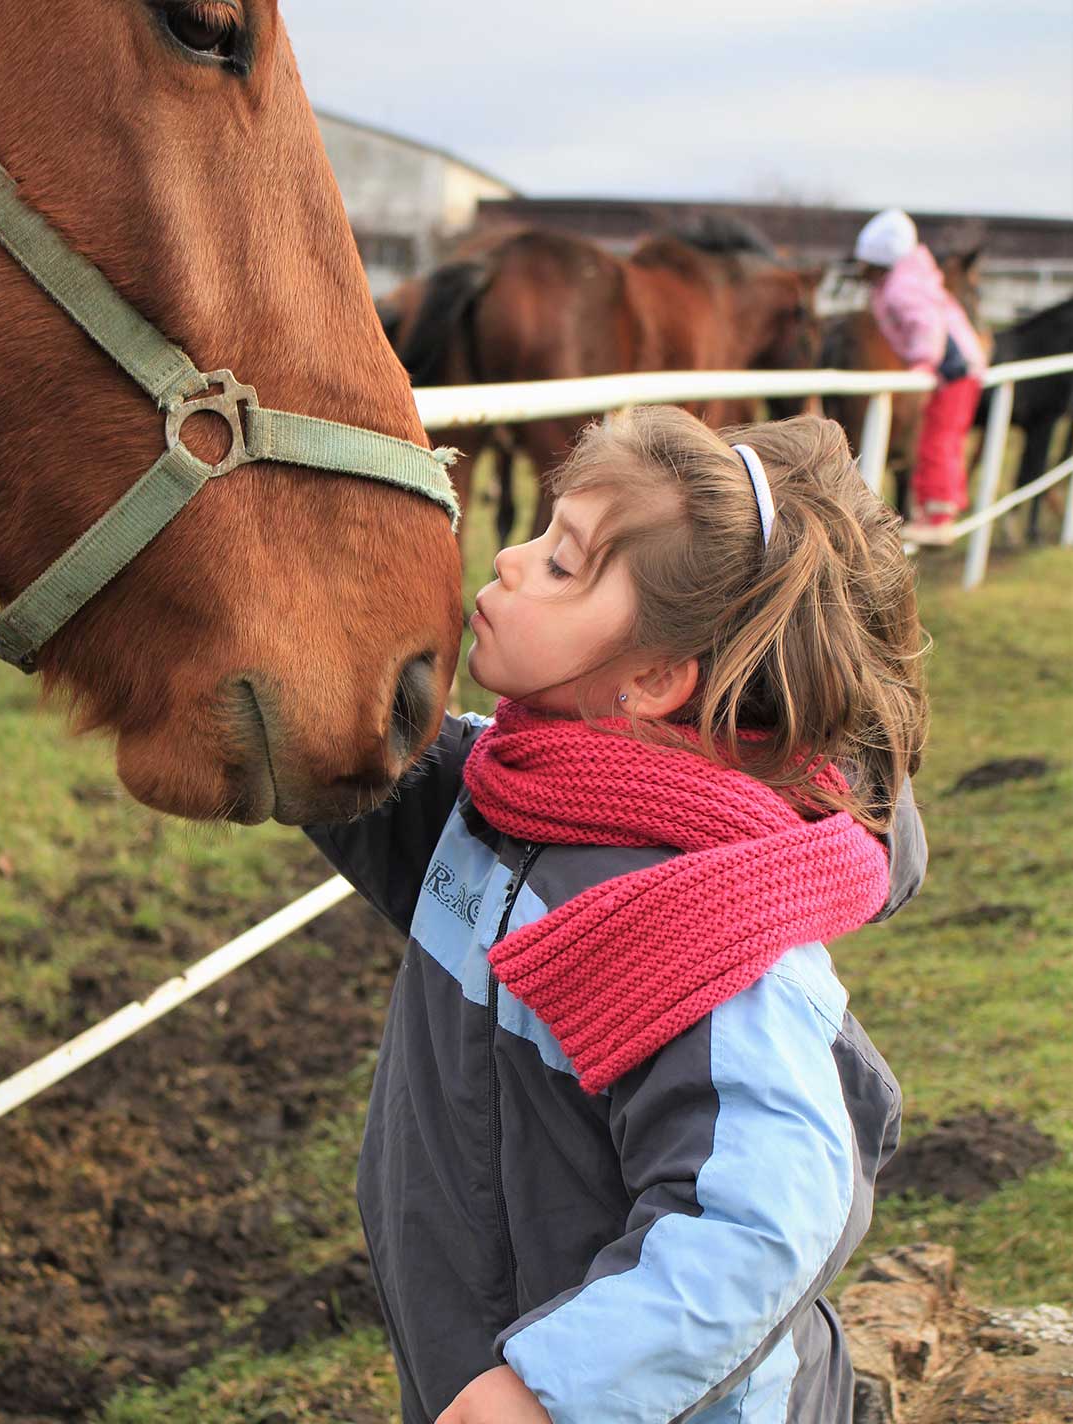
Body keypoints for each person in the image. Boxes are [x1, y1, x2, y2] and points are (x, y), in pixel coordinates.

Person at [306, 408, 930, 1424]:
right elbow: (335, 734)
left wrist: (551, 1390)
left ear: (648, 679)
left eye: (562, 563)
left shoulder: (711, 926)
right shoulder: (500, 795)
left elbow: (761, 1222)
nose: (508, 560)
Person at [853, 207, 988, 544]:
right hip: (961, 369)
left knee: (937, 440)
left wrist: (924, 363)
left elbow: (928, 326)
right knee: (945, 438)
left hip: (952, 371)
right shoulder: (908, 279)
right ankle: (942, 507)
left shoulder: (902, 287)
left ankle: (938, 519)